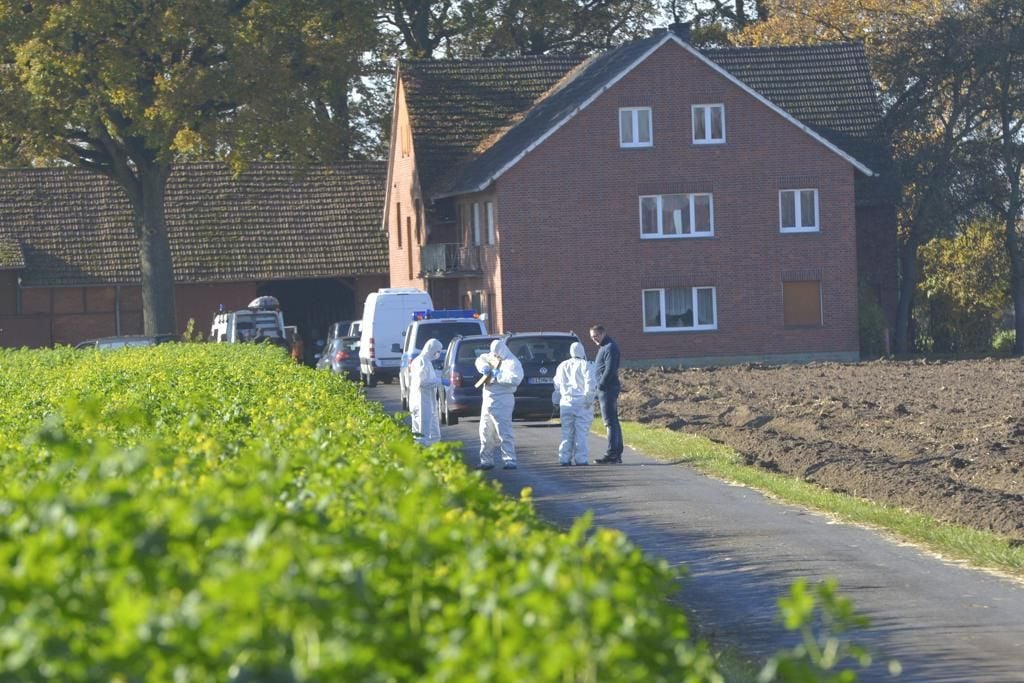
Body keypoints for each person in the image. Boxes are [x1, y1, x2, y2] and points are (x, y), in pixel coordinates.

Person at [474, 338, 524, 470]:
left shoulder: (512, 363)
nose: (495, 355)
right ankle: (486, 460)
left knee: (503, 431)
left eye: (497, 353)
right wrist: (483, 367)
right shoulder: (492, 356)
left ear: (502, 350)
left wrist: (498, 376)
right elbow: (480, 359)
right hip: (488, 399)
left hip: (503, 399)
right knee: (485, 431)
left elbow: (515, 380)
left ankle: (509, 459)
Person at [552, 341, 596, 466]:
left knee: (566, 432)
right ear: (582, 351)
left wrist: (556, 401)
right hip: (582, 403)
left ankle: (564, 458)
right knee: (581, 432)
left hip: (566, 402)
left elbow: (557, 385)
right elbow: (590, 384)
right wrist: (589, 400)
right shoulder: (586, 365)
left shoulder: (562, 365)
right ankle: (581, 459)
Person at [590, 324, 622, 464]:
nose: (594, 339)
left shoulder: (610, 347)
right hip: (606, 389)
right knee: (613, 421)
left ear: (603, 333)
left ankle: (612, 454)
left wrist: (601, 385)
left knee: (609, 422)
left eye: (596, 336)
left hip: (608, 389)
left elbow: (610, 370)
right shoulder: (604, 346)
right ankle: (616, 453)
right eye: (592, 337)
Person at [409, 338, 445, 446]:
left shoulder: (425, 361)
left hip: (426, 400)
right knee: (422, 432)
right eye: (437, 351)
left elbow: (428, 377)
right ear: (431, 349)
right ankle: (422, 457)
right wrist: (440, 381)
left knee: (432, 432)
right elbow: (423, 382)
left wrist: (439, 376)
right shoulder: (422, 361)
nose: (438, 354)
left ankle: (434, 454)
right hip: (422, 401)